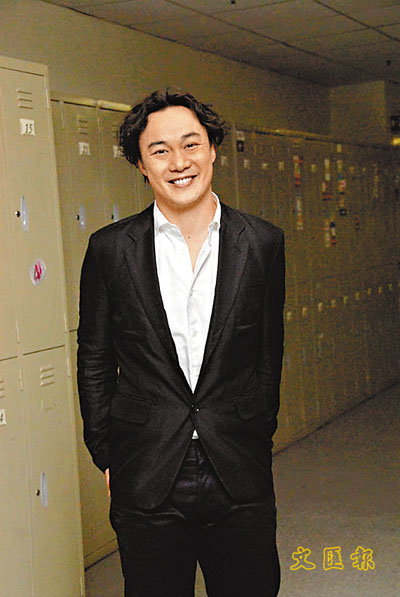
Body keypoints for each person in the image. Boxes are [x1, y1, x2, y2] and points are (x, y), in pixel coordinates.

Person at [77, 89, 285, 597]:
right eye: (160, 150)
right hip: (147, 468)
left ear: (212, 149)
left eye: (191, 144)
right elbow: (95, 358)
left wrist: (256, 433)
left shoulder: (262, 242)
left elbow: (268, 352)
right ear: (141, 165)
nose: (179, 162)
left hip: (237, 465)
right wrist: (108, 451)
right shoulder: (110, 250)